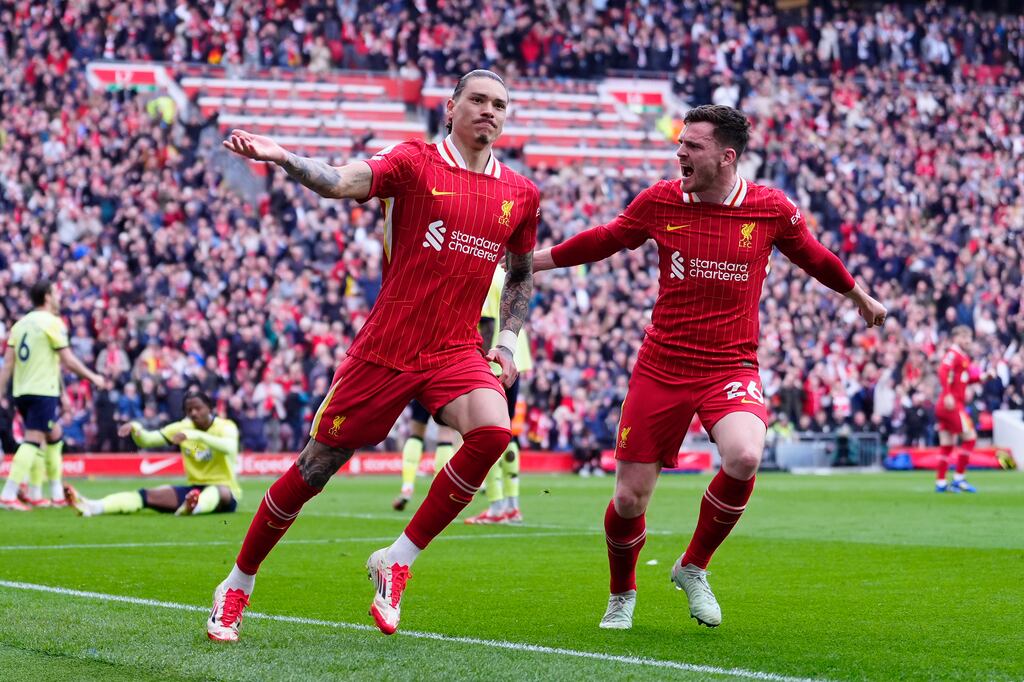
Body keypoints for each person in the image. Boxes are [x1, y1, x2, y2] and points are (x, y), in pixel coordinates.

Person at [206, 69, 539, 642]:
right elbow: (338, 181)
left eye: (500, 104)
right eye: (478, 100)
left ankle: (397, 557)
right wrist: (285, 157)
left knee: (492, 432)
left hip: (456, 347)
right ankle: (237, 583)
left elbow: (521, 272)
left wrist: (505, 343)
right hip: (387, 348)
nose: (490, 111)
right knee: (314, 470)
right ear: (452, 105)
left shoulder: (521, 193)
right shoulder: (412, 162)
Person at [533, 104, 886, 630]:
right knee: (629, 498)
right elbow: (607, 238)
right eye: (679, 143)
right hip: (662, 364)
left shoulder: (770, 209)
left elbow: (814, 255)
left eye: (691, 146)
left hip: (730, 365)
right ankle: (621, 594)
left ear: (727, 156)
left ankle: (693, 566)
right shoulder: (659, 200)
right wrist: (532, 262)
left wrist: (859, 296)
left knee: (745, 456)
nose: (679, 153)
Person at [0, 279, 106, 511]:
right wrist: (94, 377)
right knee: (32, 439)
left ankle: (47, 493)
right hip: (41, 391)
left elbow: (8, 363)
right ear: (47, 297)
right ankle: (8, 494)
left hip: (22, 391)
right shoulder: (52, 322)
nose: (58, 297)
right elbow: (67, 359)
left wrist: (0, 391)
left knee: (53, 435)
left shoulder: (20, 324)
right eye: (56, 293)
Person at [64, 390, 240, 516]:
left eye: (198, 408)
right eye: (189, 410)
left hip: (225, 491)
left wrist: (194, 436)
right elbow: (148, 440)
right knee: (147, 495)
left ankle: (194, 507)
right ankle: (93, 506)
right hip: (193, 489)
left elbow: (229, 448)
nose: (193, 413)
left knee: (220, 490)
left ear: (210, 408)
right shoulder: (181, 427)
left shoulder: (226, 426)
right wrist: (136, 428)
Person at [465, 264, 531, 525]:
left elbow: (487, 322)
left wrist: (481, 360)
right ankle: (512, 505)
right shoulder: (507, 272)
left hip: (495, 360)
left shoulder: (481, 271)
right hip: (517, 357)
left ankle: (496, 507)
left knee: (487, 431)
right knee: (508, 433)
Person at [934, 325, 984, 493]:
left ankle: (941, 482)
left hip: (947, 404)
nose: (967, 340)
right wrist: (948, 393)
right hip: (952, 405)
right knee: (970, 438)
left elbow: (966, 379)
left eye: (969, 337)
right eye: (964, 337)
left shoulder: (962, 357)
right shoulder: (953, 354)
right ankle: (959, 479)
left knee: (947, 444)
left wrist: (983, 377)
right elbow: (943, 371)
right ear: (955, 338)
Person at [392, 402, 455, 511]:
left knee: (416, 432)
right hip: (448, 390)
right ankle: (439, 493)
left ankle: (407, 488)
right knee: (446, 435)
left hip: (425, 388)